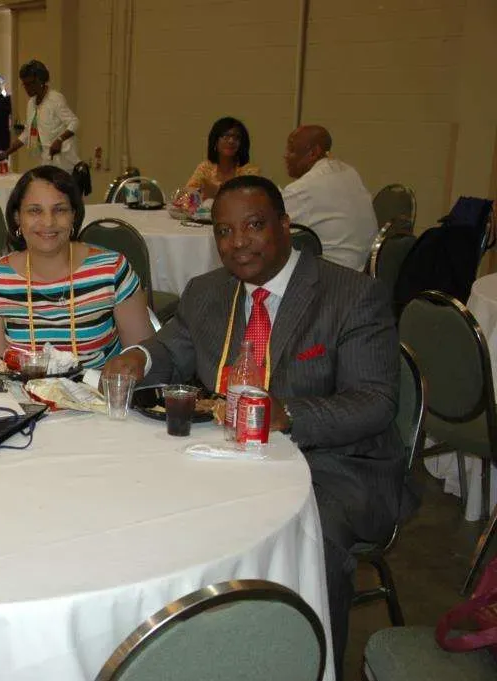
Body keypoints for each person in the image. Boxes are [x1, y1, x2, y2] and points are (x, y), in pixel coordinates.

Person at [102, 175, 407, 678]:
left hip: (331, 465)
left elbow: (375, 403)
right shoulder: (207, 292)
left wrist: (287, 414)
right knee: (139, 503)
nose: (238, 242)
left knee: (312, 539)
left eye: (254, 226)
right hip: (220, 451)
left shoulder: (352, 295)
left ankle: (308, 661)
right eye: (223, 231)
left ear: (286, 226)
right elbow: (171, 349)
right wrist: (137, 357)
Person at [0, 166, 154, 368]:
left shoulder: (111, 270)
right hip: (20, 397)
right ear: (17, 217)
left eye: (60, 210)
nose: (48, 222)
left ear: (74, 215)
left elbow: (143, 359)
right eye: (35, 211)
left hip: (99, 395)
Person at [282, 125, 378, 270]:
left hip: (335, 277)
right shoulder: (349, 171)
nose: (286, 156)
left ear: (313, 153)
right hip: (364, 270)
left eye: (292, 150)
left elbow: (270, 228)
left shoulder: (304, 188)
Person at [0, 60, 80, 172]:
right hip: (46, 158)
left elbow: (74, 122)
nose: (26, 88)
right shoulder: (31, 103)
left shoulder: (55, 99)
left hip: (64, 161)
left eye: (29, 84)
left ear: (40, 81)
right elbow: (27, 133)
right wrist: (7, 152)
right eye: (24, 84)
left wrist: (60, 140)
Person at [184, 117, 260, 201]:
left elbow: (252, 198)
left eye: (237, 138)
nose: (231, 141)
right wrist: (200, 192)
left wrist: (218, 191)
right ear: (215, 141)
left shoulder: (250, 171)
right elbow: (187, 194)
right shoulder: (205, 167)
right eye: (225, 136)